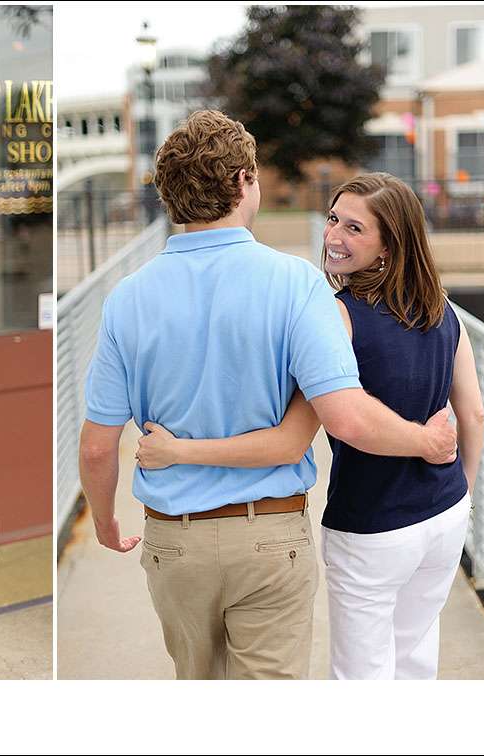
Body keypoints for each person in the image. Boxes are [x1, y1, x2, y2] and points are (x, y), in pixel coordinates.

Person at [78, 110, 458, 680]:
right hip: (268, 537)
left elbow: (95, 446)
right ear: (243, 182)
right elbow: (346, 417)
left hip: (171, 541)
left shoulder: (126, 299)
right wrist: (426, 440)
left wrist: (106, 521)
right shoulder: (296, 283)